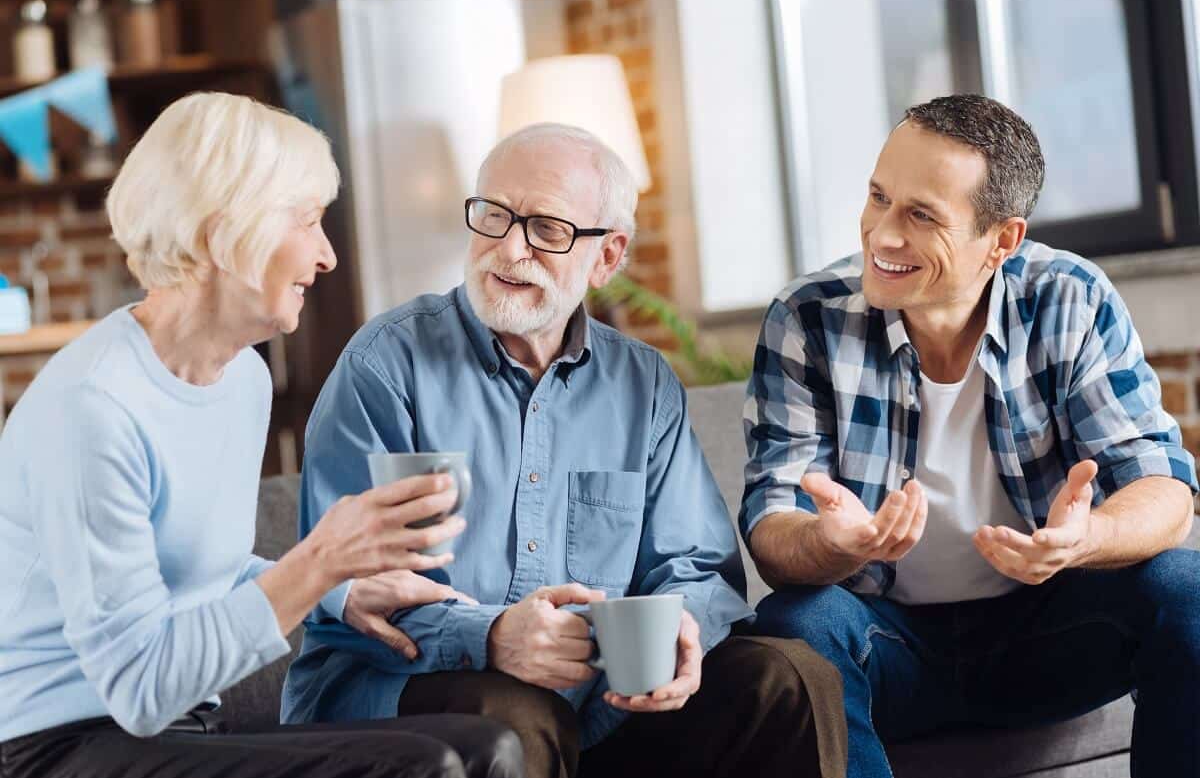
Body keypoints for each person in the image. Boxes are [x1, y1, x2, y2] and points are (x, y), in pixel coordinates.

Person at [281, 122, 848, 778]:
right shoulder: (388, 364)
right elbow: (345, 582)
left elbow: (695, 569)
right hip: (394, 694)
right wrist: (492, 638)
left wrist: (683, 632)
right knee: (517, 717)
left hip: (596, 706)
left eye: (546, 228)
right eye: (493, 216)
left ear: (608, 257)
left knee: (790, 677)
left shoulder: (644, 383)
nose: (508, 247)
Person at [0, 92, 522, 778]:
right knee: (423, 767)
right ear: (224, 235)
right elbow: (140, 689)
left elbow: (196, 572)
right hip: (56, 746)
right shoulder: (94, 409)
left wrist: (343, 590)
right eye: (306, 221)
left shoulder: (240, 379)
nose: (328, 255)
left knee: (489, 747)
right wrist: (319, 563)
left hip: (173, 729)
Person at [742, 94, 1200, 778]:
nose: (881, 234)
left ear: (1003, 240)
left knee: (1185, 586)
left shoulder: (1069, 299)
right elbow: (774, 524)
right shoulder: (807, 317)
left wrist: (1088, 539)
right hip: (886, 641)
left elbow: (1165, 487)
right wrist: (825, 542)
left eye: (920, 215)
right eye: (878, 197)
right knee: (795, 625)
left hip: (1047, 633)